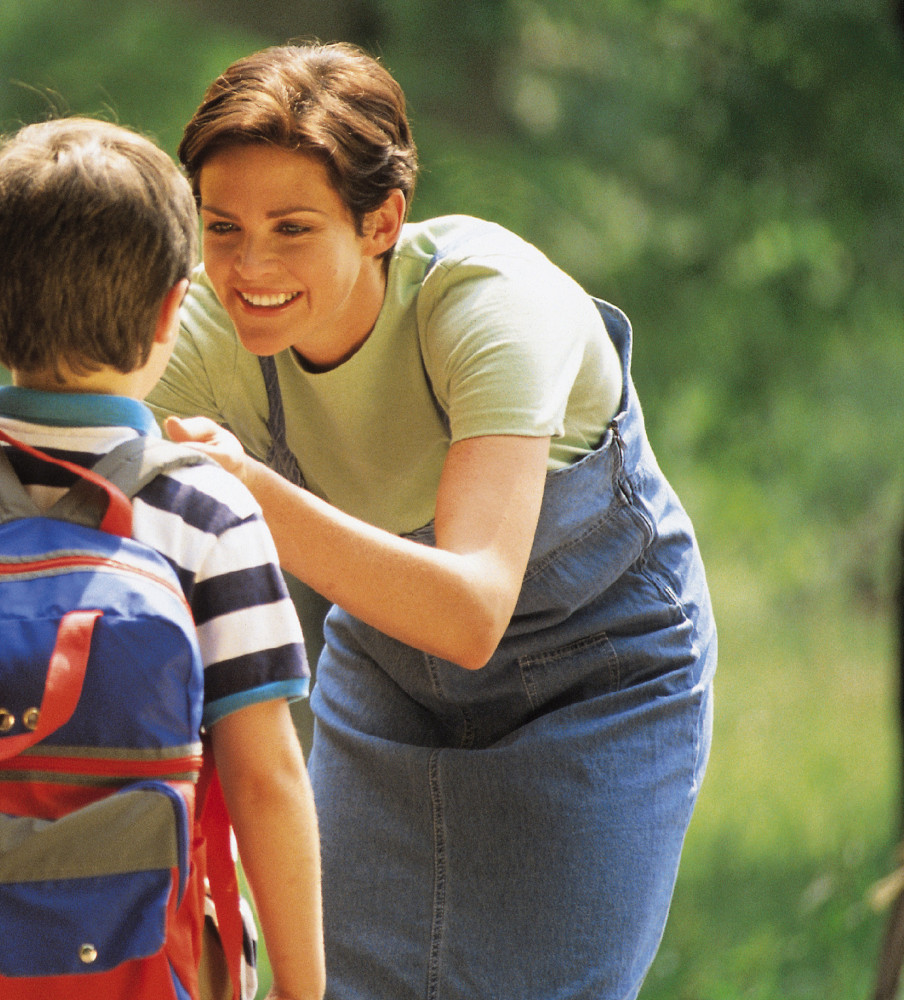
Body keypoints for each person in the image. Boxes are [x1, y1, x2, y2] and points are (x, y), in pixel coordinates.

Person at [145, 41, 717, 999]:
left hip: (600, 677)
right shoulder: (207, 328)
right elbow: (70, 448)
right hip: (390, 673)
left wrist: (250, 488)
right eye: (222, 227)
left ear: (381, 222)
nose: (249, 267)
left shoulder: (489, 305)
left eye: (293, 228)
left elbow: (469, 613)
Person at [0, 117, 324, 1000]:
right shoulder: (205, 511)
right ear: (172, 307)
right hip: (133, 967)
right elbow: (267, 779)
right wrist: (302, 989)